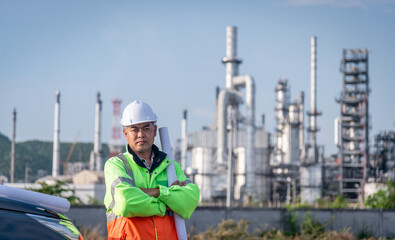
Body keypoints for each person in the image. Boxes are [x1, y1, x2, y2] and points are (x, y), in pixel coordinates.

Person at [104, 100, 200, 240]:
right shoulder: (116, 165)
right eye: (134, 129)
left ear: (155, 131)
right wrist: (165, 203)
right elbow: (126, 201)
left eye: (146, 128)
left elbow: (191, 198)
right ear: (125, 133)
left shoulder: (170, 166)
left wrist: (158, 192)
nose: (141, 134)